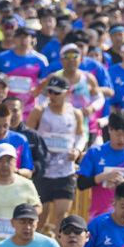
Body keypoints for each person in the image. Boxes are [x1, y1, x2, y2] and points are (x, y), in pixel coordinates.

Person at [27, 74, 84, 230]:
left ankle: (60, 245)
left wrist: (77, 150)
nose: (52, 96)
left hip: (65, 171)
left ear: (67, 93)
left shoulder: (75, 114)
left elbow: (81, 135)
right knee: (40, 216)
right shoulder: (39, 112)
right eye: (49, 91)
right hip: (43, 171)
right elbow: (28, 137)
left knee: (61, 216)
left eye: (57, 92)